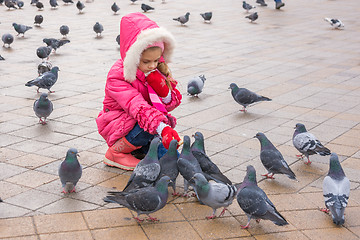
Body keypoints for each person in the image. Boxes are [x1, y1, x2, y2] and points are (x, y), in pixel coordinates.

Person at [96, 12, 182, 171]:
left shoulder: (153, 72)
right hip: (120, 126)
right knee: (148, 125)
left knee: (173, 161)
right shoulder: (118, 76)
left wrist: (164, 91)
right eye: (146, 61)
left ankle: (140, 148)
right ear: (133, 57)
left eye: (157, 60)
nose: (152, 65)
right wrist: (163, 129)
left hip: (146, 125)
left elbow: (168, 106)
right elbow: (138, 108)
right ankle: (116, 152)